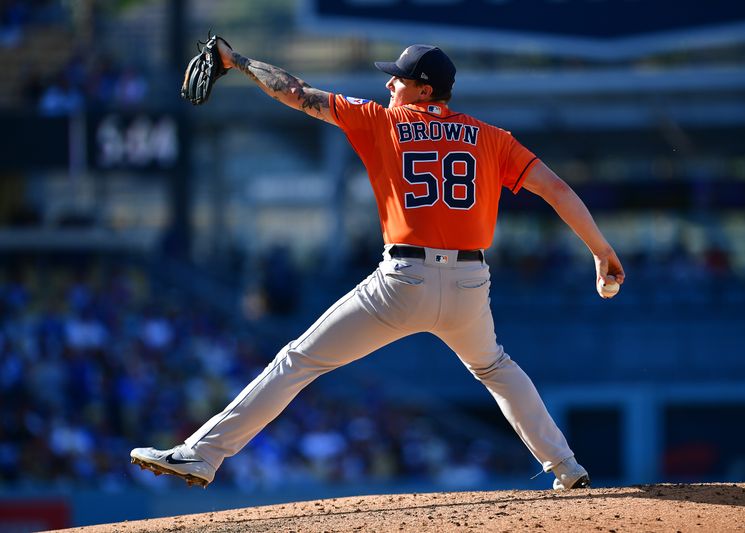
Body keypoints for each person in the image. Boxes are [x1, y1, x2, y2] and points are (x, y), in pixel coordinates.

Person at [131, 43, 625, 490]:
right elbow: (557, 189)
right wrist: (601, 251)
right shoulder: (491, 138)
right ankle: (566, 468)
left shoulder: (382, 121)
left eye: (399, 78)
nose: (388, 83)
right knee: (495, 367)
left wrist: (235, 61)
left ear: (424, 89)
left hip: (403, 281)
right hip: (470, 283)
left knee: (298, 361)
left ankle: (201, 455)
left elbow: (294, 92)